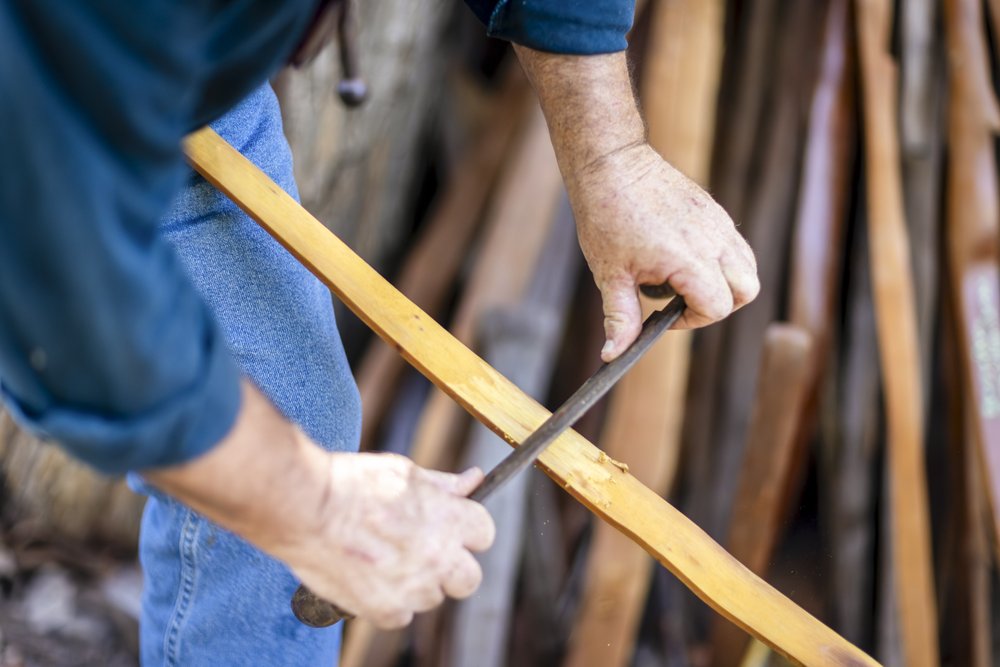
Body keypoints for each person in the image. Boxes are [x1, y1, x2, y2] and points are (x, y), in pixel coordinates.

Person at [0, 0, 759, 664]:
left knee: (289, 415)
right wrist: (312, 508)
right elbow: (64, 293)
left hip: (164, 86)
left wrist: (610, 154)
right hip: (56, 102)